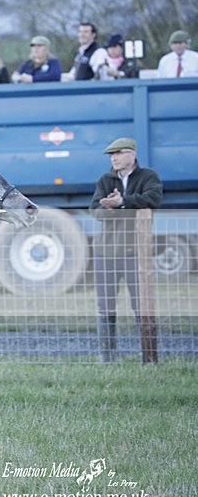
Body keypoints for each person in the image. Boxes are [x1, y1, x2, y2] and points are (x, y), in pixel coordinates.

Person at [88, 138, 163, 362]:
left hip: (135, 254)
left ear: (132, 154)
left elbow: (153, 199)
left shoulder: (148, 177)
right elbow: (94, 210)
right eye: (112, 155)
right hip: (106, 253)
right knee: (106, 307)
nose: (114, 158)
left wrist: (123, 202)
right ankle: (107, 358)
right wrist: (109, 209)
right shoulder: (105, 180)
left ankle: (149, 358)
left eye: (118, 153)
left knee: (142, 306)